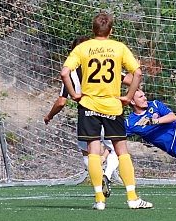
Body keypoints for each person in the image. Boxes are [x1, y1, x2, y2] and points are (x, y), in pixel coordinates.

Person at [61, 13, 151, 210]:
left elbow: (64, 72)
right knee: (122, 151)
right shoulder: (118, 47)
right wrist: (129, 96)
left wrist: (74, 94)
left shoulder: (83, 48)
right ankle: (132, 198)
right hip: (112, 106)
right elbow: (137, 73)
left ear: (93, 30)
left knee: (93, 151)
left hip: (88, 106)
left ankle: (99, 200)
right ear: (111, 31)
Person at [44, 36, 118, 198]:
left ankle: (99, 189)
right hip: (108, 111)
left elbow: (61, 102)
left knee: (88, 154)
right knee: (116, 150)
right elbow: (127, 78)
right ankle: (108, 175)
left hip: (86, 114)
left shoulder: (70, 72)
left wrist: (50, 115)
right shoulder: (103, 63)